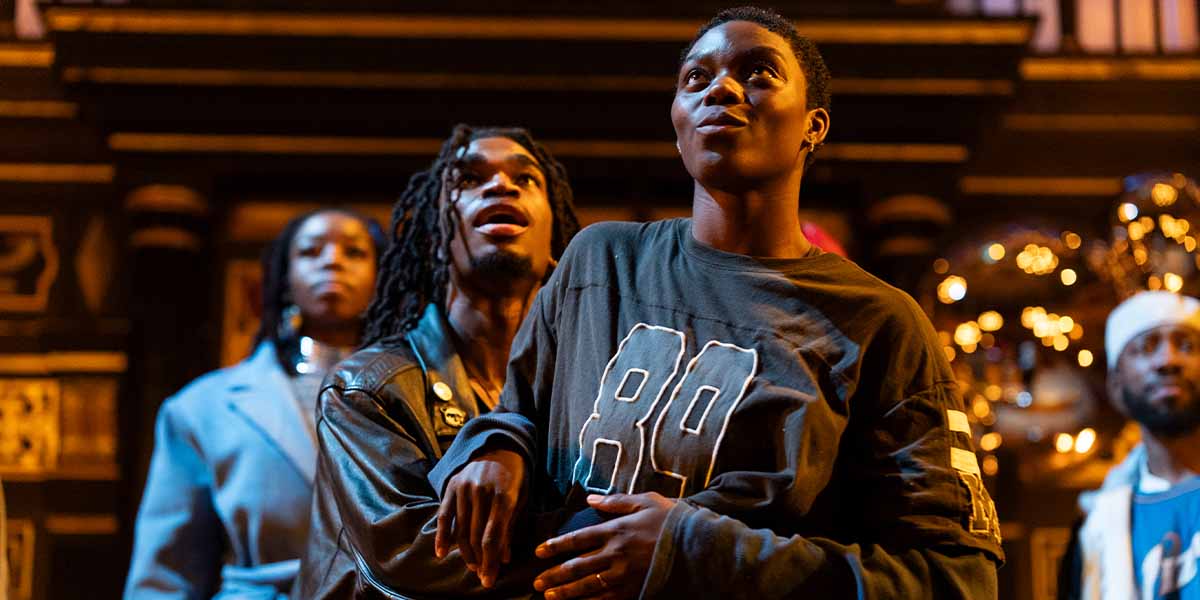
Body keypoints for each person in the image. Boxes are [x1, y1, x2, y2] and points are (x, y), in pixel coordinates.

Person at [431, 7, 1004, 599]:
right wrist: (494, 446)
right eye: (695, 79)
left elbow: (957, 576)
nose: (721, 88)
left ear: (814, 126)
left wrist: (699, 551)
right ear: (677, 120)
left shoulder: (879, 320)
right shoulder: (599, 262)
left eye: (758, 73)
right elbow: (517, 410)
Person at [294, 124, 579, 598]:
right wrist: (608, 543)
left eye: (525, 179)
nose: (501, 185)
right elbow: (416, 556)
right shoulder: (365, 387)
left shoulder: (588, 387)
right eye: (469, 179)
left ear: (555, 242)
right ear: (433, 237)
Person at [125, 209, 386, 599]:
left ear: (385, 277)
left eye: (354, 252)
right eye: (311, 252)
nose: (332, 261)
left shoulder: (423, 393)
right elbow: (165, 576)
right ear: (284, 279)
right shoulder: (203, 407)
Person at [1058, 291, 1200, 600]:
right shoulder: (1094, 530)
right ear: (1116, 386)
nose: (1168, 360)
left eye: (1186, 345)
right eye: (1146, 347)